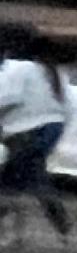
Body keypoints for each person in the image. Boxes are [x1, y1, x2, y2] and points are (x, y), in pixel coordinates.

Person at [0, 53, 70, 238]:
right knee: (31, 173)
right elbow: (68, 105)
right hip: (52, 127)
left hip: (26, 129)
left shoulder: (18, 68)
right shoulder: (52, 70)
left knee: (11, 179)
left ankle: (57, 217)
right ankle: (58, 218)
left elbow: (7, 98)